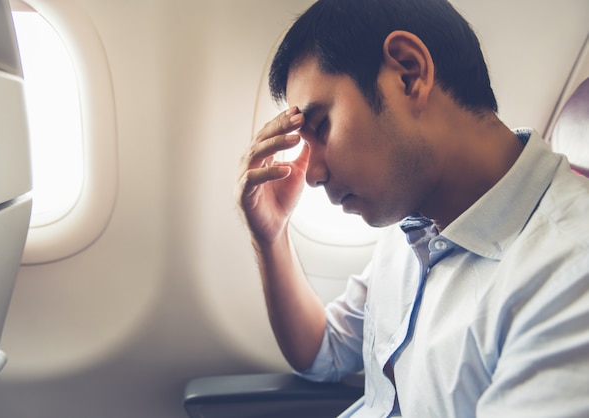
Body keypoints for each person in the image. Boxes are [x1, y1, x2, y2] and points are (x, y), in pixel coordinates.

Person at [235, 0, 589, 416]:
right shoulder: (413, 225)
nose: (311, 174)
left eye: (323, 126)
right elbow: (324, 353)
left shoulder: (569, 273)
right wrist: (271, 236)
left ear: (408, 73)